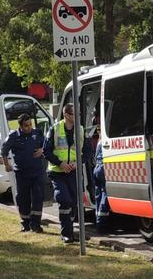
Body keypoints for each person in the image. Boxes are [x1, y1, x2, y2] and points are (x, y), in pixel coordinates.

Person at [43, 103, 90, 244]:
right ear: (66, 115)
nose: (77, 117)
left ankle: (69, 230)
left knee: (74, 203)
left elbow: (88, 152)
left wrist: (78, 163)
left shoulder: (81, 130)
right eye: (74, 114)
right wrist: (60, 163)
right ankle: (66, 234)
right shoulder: (55, 129)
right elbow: (46, 151)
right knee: (64, 199)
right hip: (57, 172)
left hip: (73, 172)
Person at [0, 113, 46, 233]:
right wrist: (7, 165)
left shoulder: (37, 133)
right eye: (26, 125)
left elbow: (47, 146)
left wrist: (42, 150)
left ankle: (36, 224)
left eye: (30, 124)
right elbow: (4, 151)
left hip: (37, 172)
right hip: (22, 173)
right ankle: (25, 223)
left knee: (38, 197)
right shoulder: (14, 136)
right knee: (23, 198)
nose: (29, 127)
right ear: (20, 126)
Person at [92, 137, 110, 234]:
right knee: (105, 194)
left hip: (97, 168)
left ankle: (98, 223)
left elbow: (95, 158)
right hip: (104, 168)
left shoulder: (100, 141)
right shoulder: (106, 140)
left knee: (98, 196)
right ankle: (102, 225)